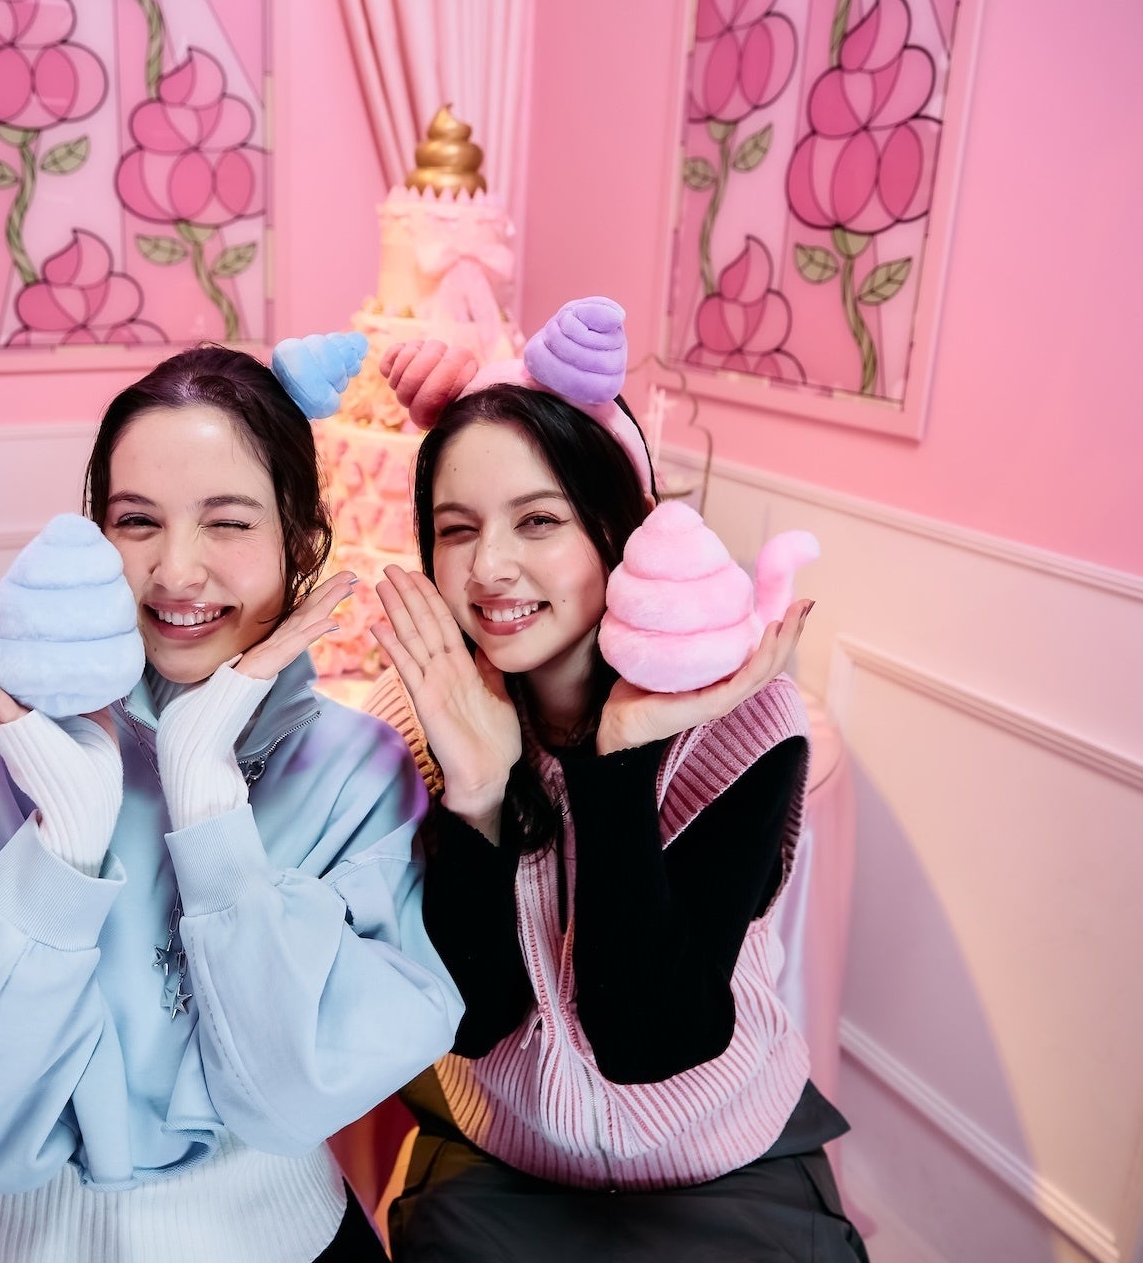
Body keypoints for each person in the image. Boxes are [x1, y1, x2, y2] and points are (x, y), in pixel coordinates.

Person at [0, 343, 464, 1263]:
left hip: (280, 1239)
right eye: (136, 521)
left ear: (303, 539)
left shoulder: (357, 775)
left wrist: (208, 807)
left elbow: (289, 1099)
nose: (176, 572)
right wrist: (61, 850)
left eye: (228, 523)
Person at [370, 301, 868, 1261]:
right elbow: (473, 1019)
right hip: (504, 1147)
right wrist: (476, 796)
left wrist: (619, 765)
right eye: (457, 529)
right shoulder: (414, 724)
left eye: (538, 521)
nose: (491, 568)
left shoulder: (748, 724)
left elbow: (652, 1039)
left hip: (719, 1145)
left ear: (618, 529)